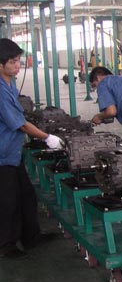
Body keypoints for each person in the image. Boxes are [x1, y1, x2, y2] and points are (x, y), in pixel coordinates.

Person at [0, 38, 64, 258]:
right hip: (2, 155)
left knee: (27, 194)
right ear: (1, 65)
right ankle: (6, 244)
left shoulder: (10, 84)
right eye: (13, 62)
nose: (18, 66)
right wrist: (48, 137)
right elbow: (20, 124)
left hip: (12, 151)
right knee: (8, 200)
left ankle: (31, 236)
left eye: (18, 60)